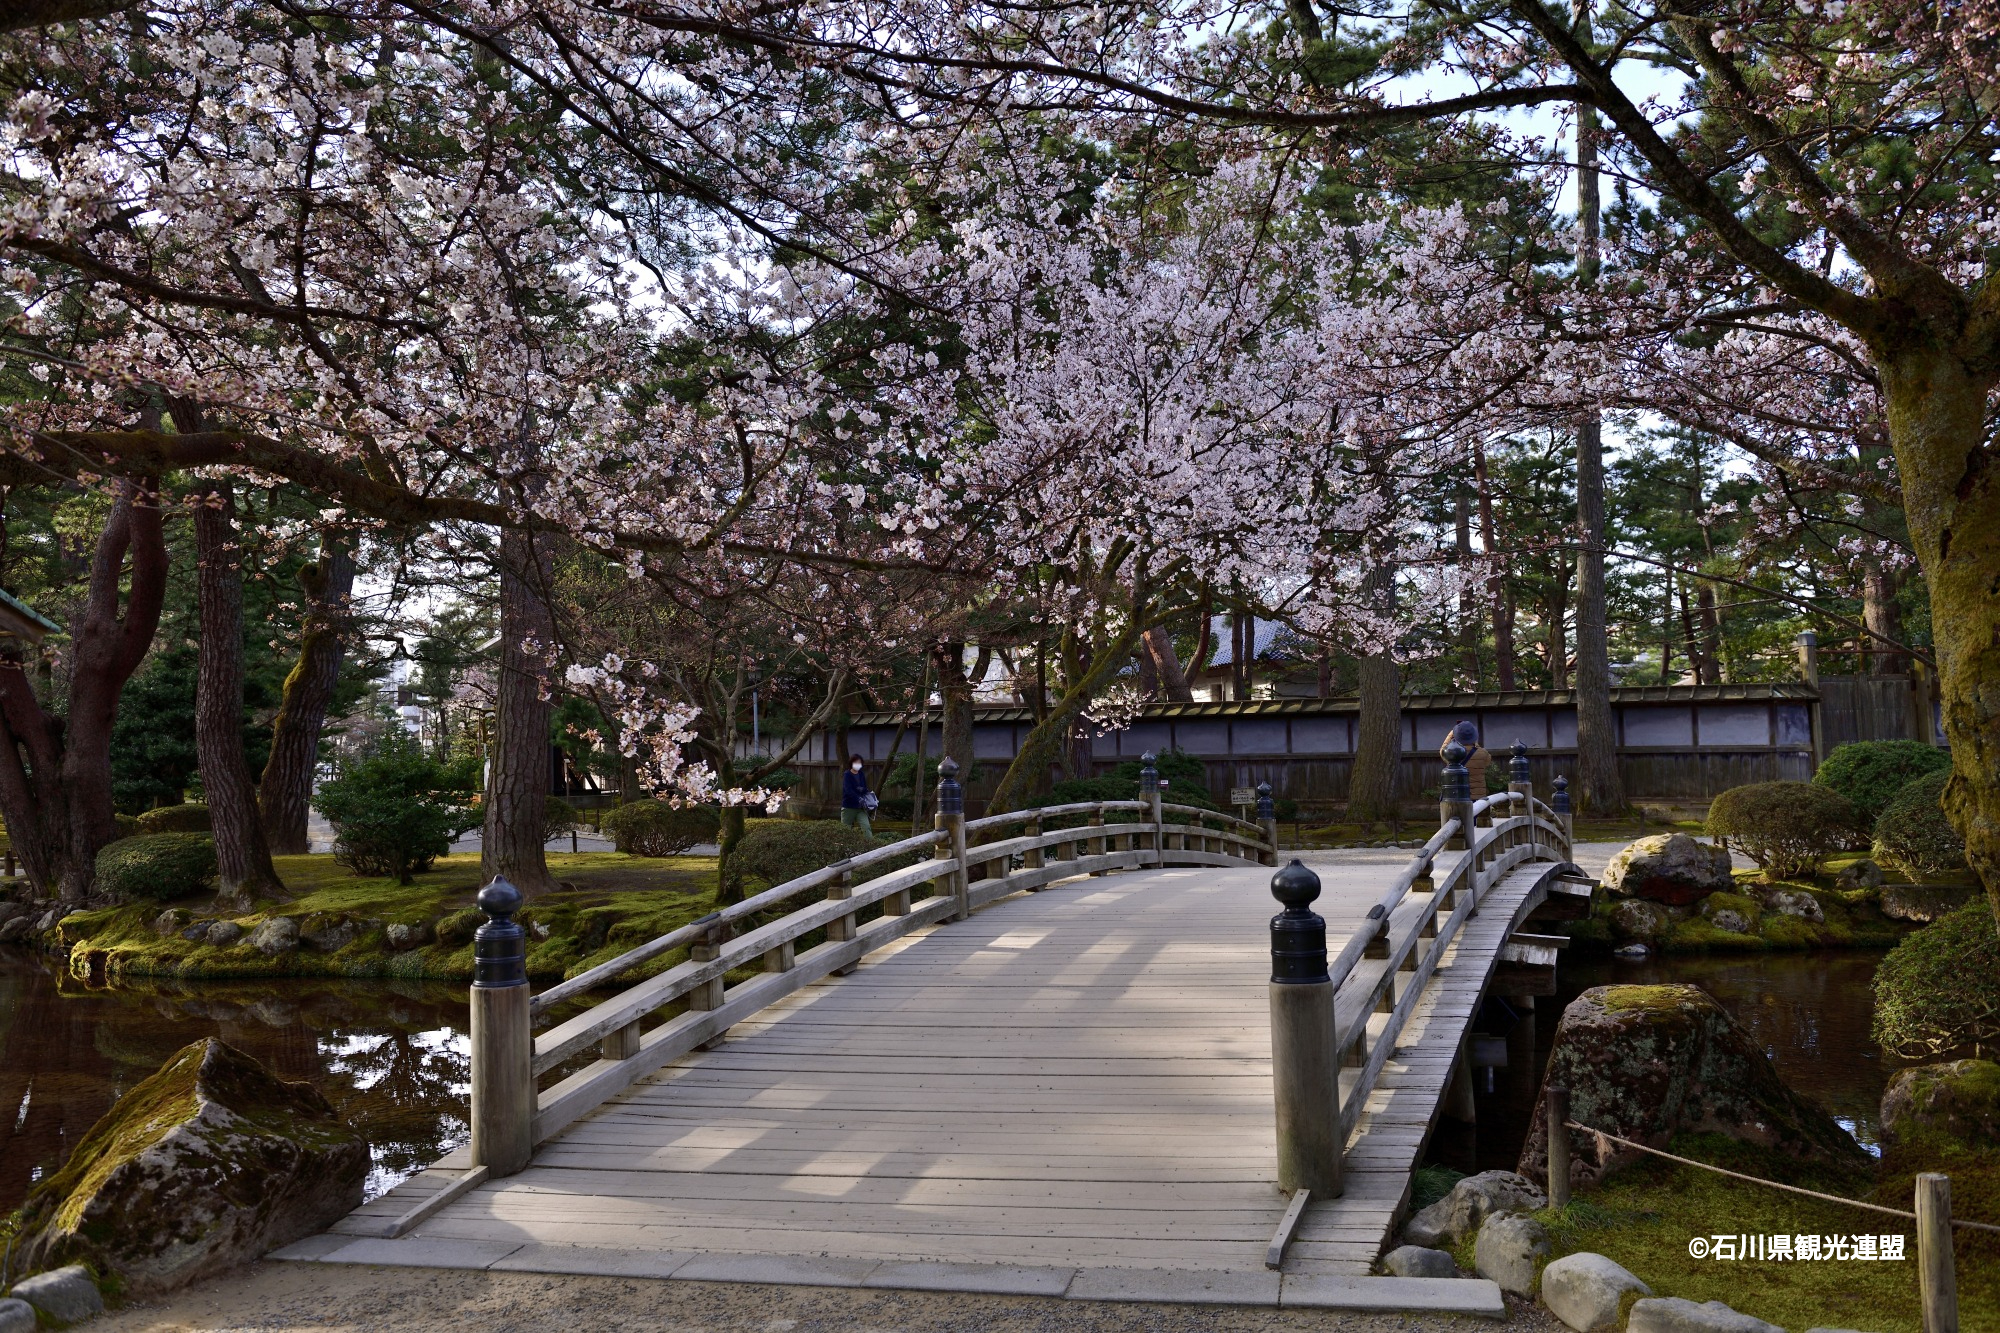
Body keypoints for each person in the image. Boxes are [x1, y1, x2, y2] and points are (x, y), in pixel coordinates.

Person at [1440, 720, 1492, 795]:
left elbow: (1443, 750)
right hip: (1479, 797)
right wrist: (1473, 741)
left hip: (1459, 796)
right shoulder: (1483, 753)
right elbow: (1487, 762)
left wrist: (1452, 732)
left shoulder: (1452, 753)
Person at [840, 754, 876, 837]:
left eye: (859, 763)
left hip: (861, 807)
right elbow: (848, 790)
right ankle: (844, 847)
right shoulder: (847, 775)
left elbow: (864, 787)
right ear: (851, 763)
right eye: (856, 762)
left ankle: (870, 846)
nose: (858, 764)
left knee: (866, 827)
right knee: (845, 829)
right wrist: (858, 797)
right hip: (849, 807)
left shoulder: (861, 774)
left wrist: (867, 794)